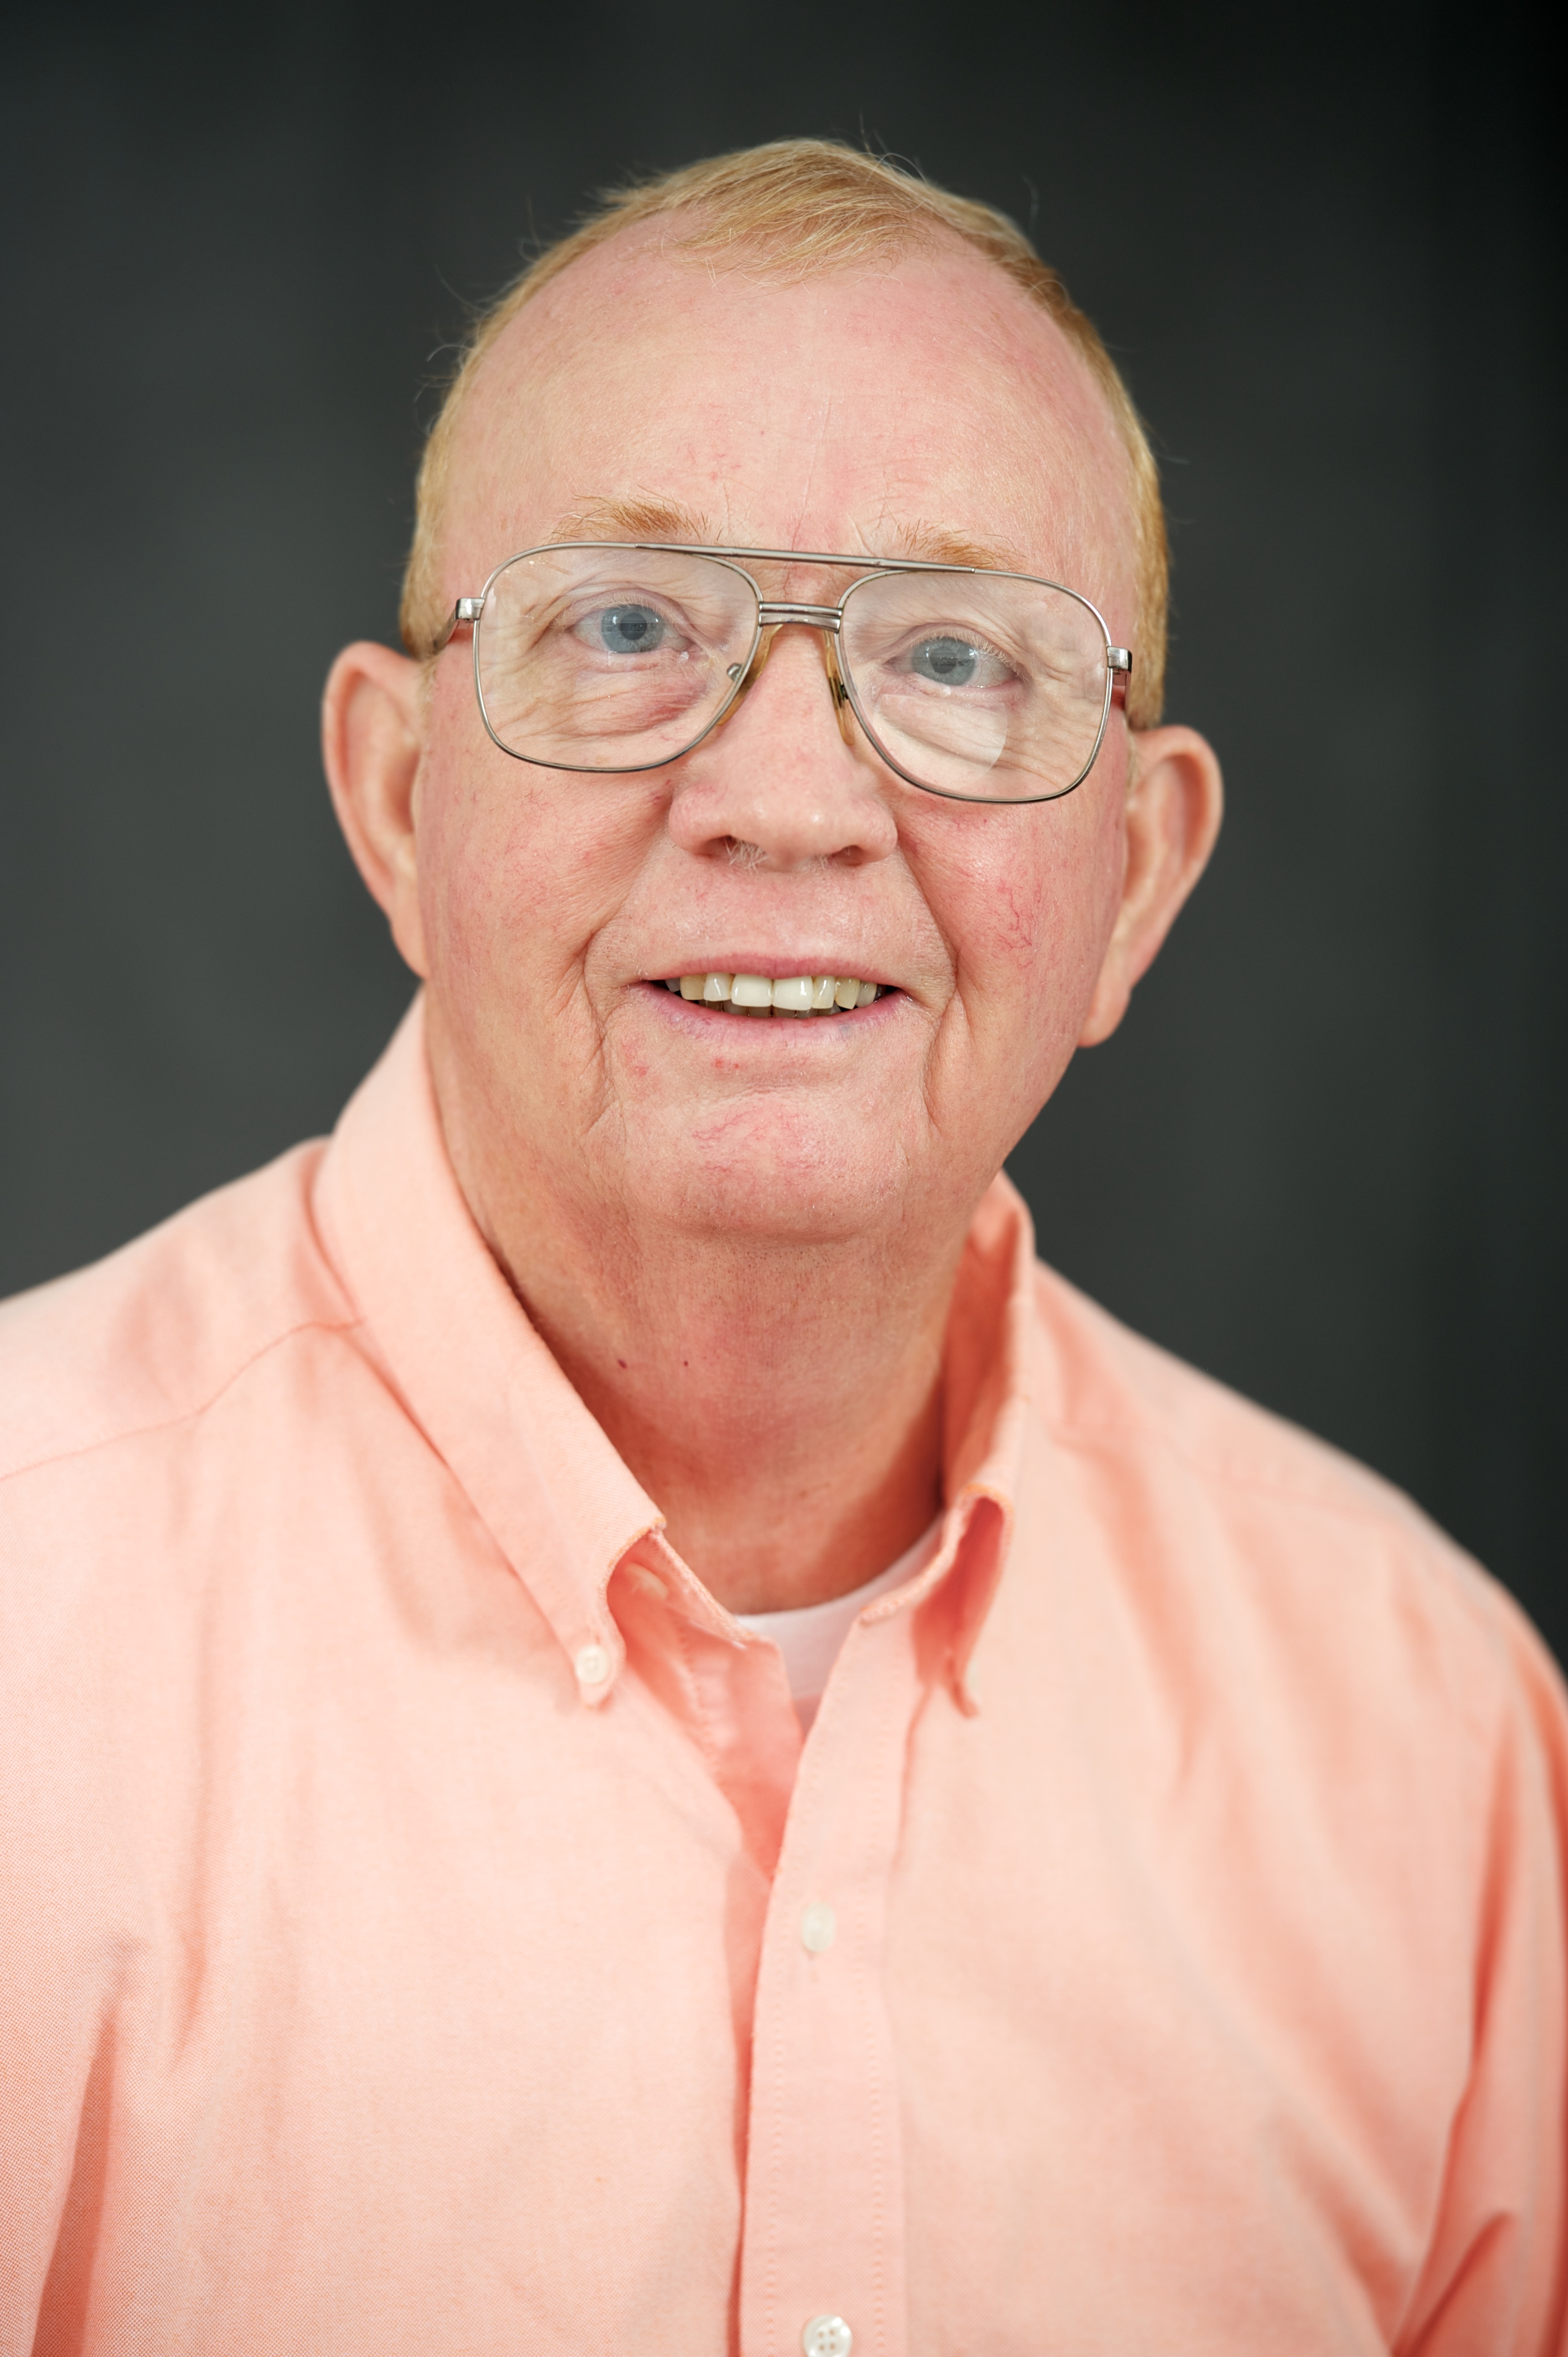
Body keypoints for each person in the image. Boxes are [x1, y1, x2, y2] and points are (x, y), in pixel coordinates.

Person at [2, 138, 1564, 2357]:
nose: (789, 801)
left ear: (1135, 881)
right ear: (399, 798)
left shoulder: (1436, 1741)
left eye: (957, 657)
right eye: (629, 628)